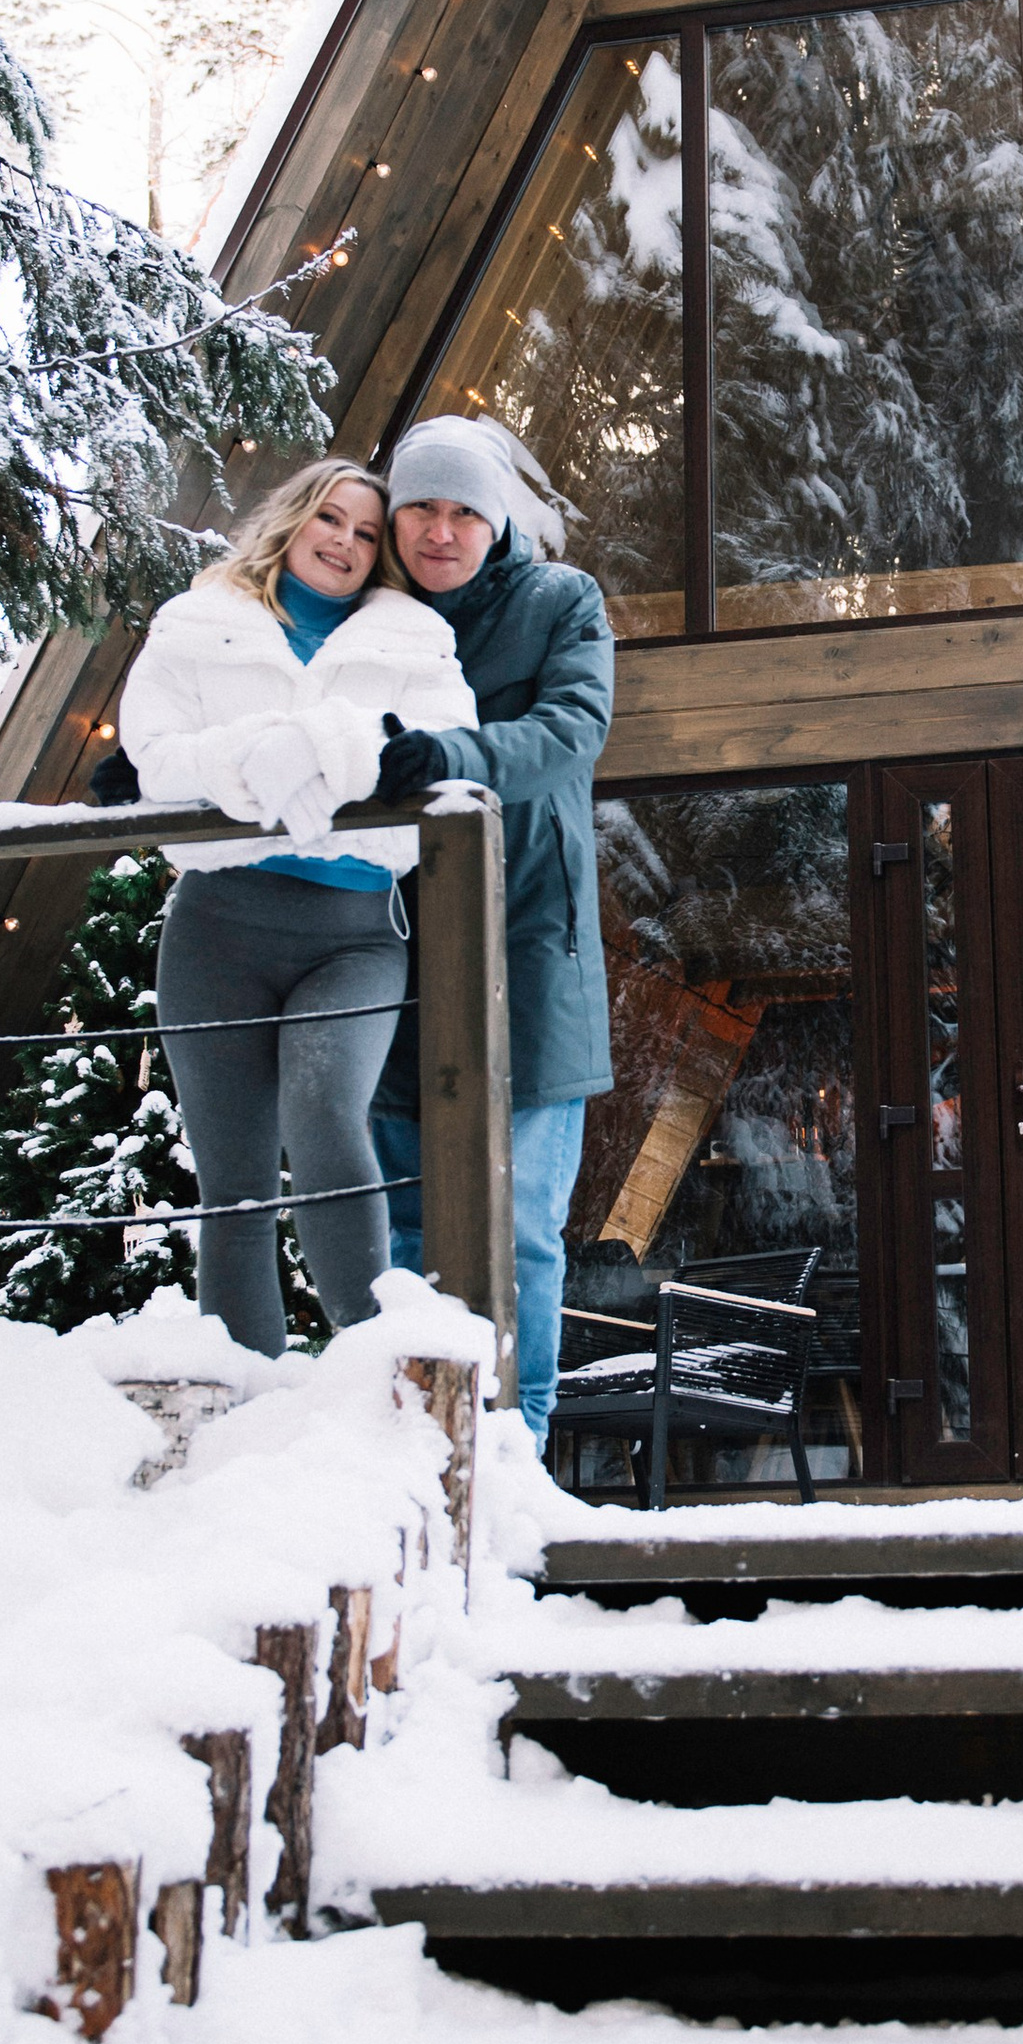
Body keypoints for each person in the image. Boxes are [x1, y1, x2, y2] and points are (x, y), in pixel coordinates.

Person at [115, 458, 476, 1358]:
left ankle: (376, 1365)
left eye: (364, 532)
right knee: (232, 1183)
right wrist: (268, 752)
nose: (345, 543)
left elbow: (437, 755)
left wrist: (321, 745)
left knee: (324, 1114)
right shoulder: (196, 626)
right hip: (217, 929)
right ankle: (246, 1387)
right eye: (331, 519)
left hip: (353, 935)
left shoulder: (416, 642)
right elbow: (156, 759)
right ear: (291, 519)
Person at [365, 415, 613, 1451]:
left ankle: (525, 1448)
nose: (442, 528)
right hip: (387, 950)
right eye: (421, 505)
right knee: (410, 1230)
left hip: (533, 946)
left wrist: (447, 754)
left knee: (522, 1231)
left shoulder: (560, 600)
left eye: (466, 508)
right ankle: (419, 1450)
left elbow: (570, 731)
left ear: (496, 518)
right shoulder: (362, 616)